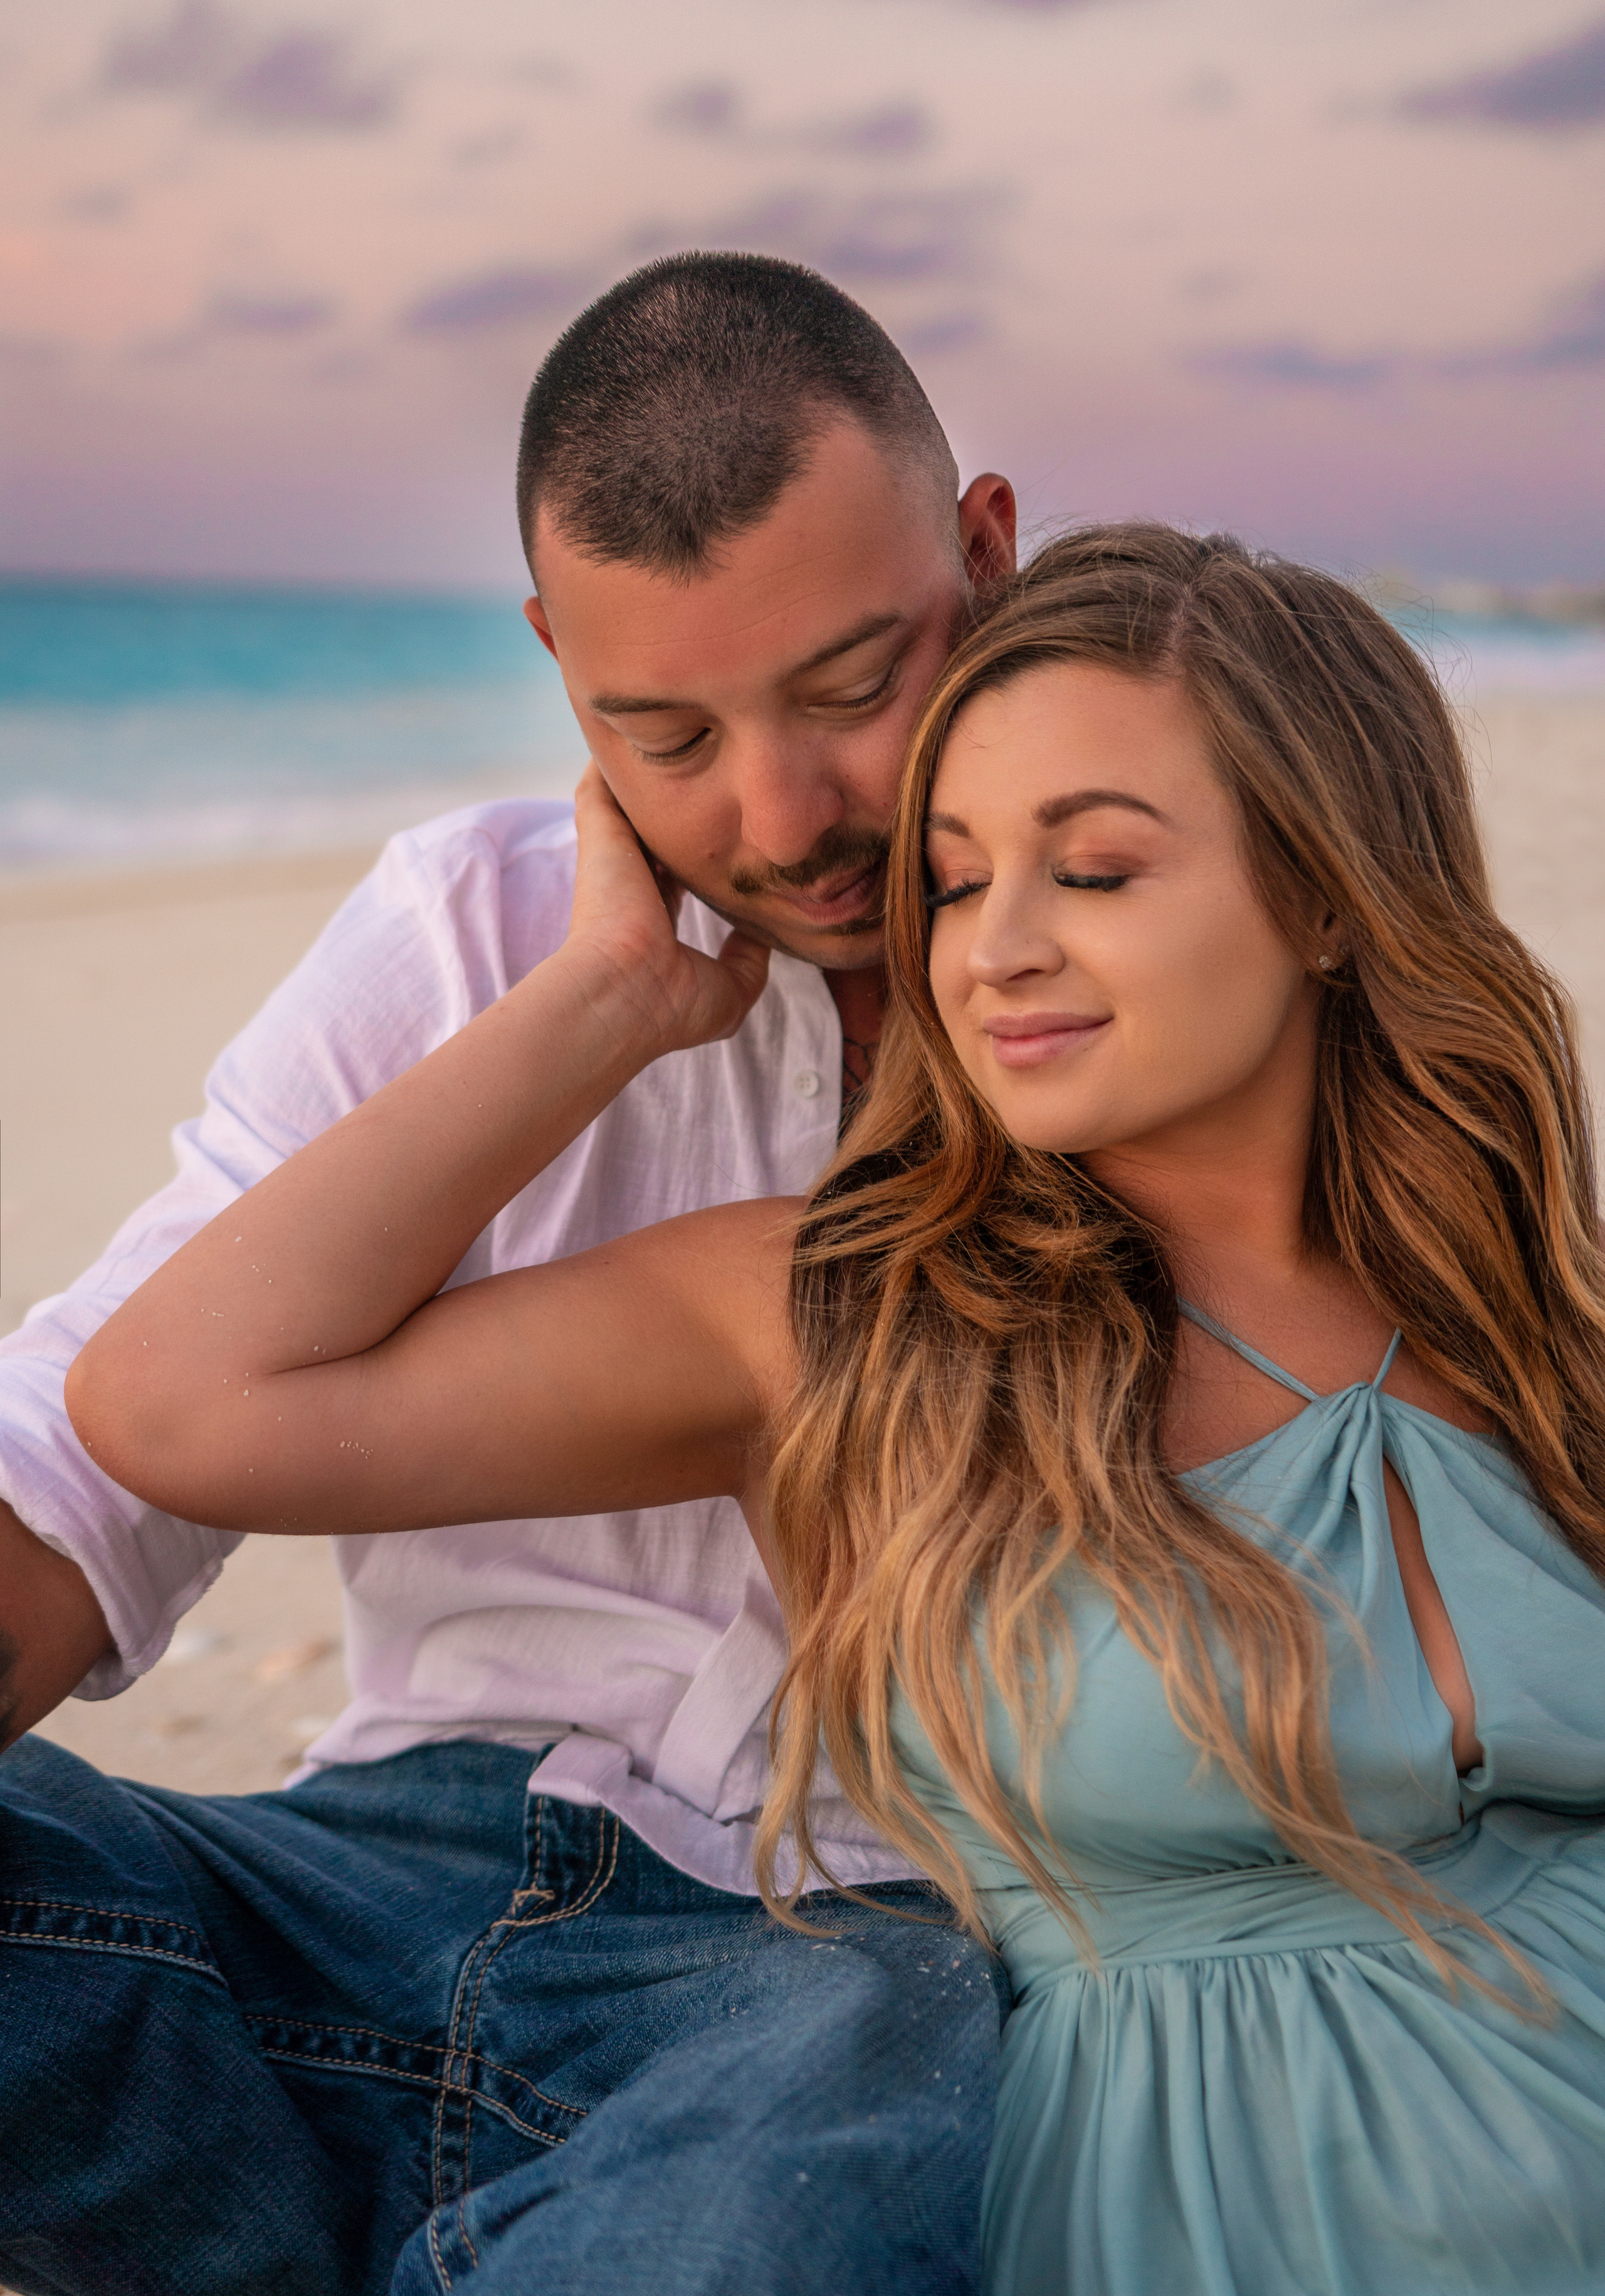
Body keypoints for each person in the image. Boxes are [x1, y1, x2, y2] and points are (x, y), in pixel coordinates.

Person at [74, 520, 1605, 2295]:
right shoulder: (856, 1316)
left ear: (1328, 897)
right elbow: (176, 1402)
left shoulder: (1531, 1315)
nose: (994, 949)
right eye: (952, 882)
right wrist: (607, 1003)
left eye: (1093, 869)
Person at [0, 254, 1018, 2295]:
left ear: (987, 556)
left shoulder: (1137, 960)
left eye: (850, 686)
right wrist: (604, 1006)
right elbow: (88, 1460)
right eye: (663, 730)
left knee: (803, 2180)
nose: (780, 812)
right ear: (559, 663)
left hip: (829, 1955)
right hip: (348, 1890)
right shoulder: (469, 931)